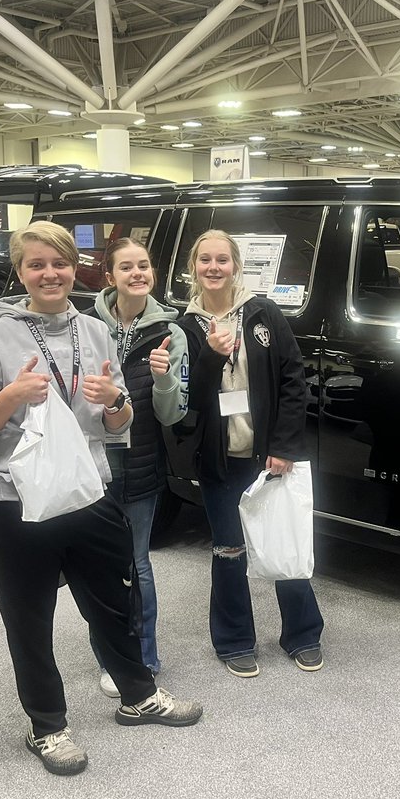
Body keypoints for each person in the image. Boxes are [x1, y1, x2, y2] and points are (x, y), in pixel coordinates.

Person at [0, 221, 202, 777]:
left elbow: (117, 429)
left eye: (59, 263)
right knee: (29, 616)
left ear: (75, 269)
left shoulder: (94, 332)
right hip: (14, 499)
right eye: (36, 264)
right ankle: (47, 726)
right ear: (20, 272)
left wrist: (116, 401)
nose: (50, 274)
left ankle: (138, 694)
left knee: (112, 603)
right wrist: (11, 396)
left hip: (89, 490)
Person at [177, 228, 324, 678]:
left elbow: (293, 381)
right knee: (228, 550)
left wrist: (284, 447)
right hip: (220, 461)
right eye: (205, 260)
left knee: (283, 541)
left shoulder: (262, 315)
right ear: (193, 268)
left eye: (222, 259)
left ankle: (302, 634)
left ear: (236, 265)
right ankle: (235, 640)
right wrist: (210, 357)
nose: (214, 268)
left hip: (267, 457)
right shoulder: (185, 325)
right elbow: (191, 401)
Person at [86, 236, 189, 697]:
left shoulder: (172, 331)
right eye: (126, 267)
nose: (137, 274)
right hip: (92, 464)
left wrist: (165, 378)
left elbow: (173, 413)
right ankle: (110, 654)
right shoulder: (85, 325)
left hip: (143, 462)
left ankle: (143, 657)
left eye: (144, 266)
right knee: (98, 566)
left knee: (138, 563)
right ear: (110, 277)